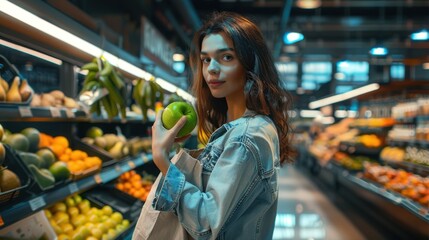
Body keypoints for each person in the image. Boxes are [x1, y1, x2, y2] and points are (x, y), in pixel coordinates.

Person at [133, 11, 293, 240]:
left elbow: (206, 224)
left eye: (226, 57)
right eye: (206, 59)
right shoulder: (240, 125)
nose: (211, 69)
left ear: (250, 64)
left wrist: (163, 161)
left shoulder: (246, 137)